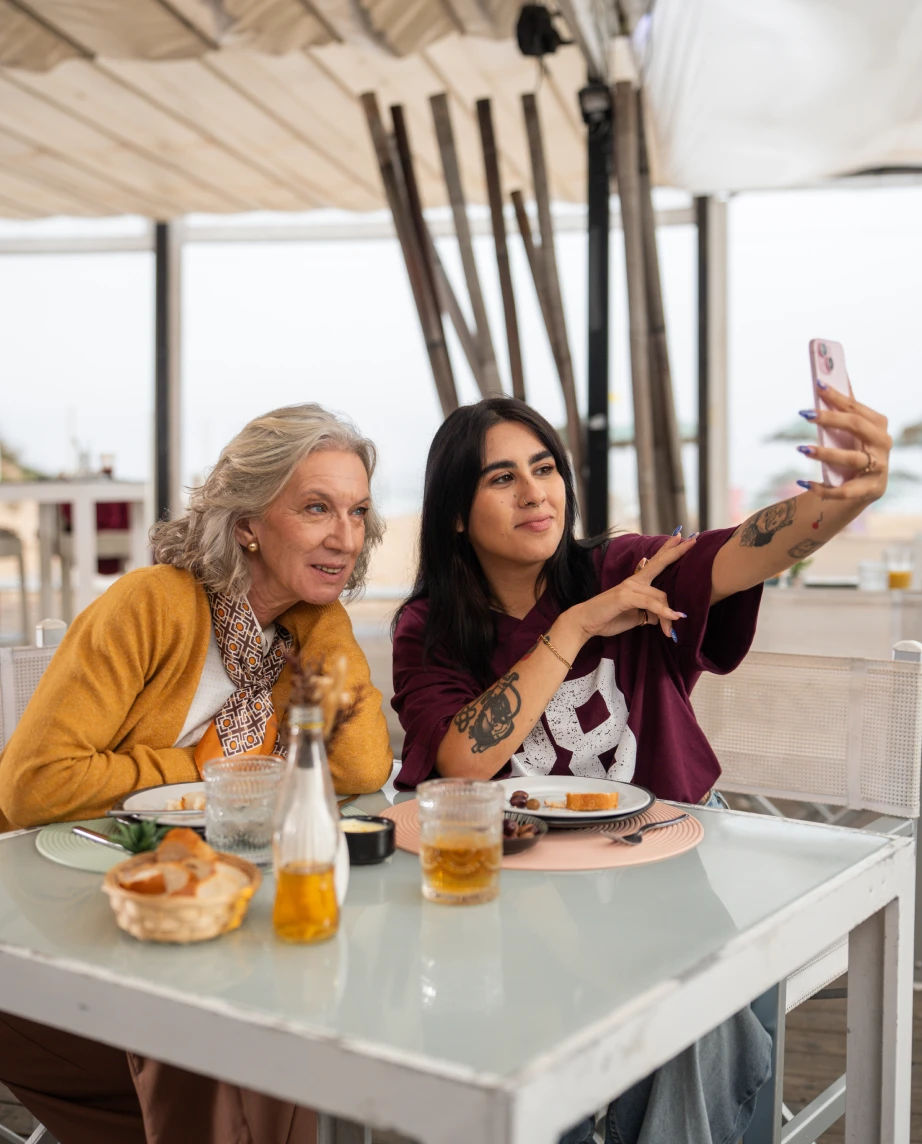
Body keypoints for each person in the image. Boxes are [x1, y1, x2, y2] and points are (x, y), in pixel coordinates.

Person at [391, 392, 891, 1143]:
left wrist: (844, 499)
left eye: (545, 468)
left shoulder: (620, 567)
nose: (535, 492)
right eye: (501, 478)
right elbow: (462, 761)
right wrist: (575, 627)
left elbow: (743, 551)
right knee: (618, 1018)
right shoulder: (430, 627)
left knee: (693, 1005)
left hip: (671, 853)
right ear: (456, 513)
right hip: (527, 890)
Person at [0, 403, 394, 1144]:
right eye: (317, 508)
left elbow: (361, 766)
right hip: (45, 937)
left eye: (358, 512)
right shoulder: (151, 605)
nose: (346, 537)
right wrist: (206, 770)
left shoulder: (298, 633)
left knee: (277, 1009)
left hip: (189, 922)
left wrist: (329, 629)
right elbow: (34, 784)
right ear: (247, 523)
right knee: (235, 1030)